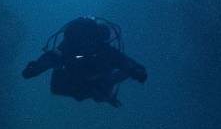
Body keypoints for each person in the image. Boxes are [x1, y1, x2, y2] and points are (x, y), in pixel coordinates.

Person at [20, 17, 148, 107]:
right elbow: (50, 58)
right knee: (63, 76)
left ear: (98, 37)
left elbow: (124, 62)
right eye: (84, 39)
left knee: (105, 83)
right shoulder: (68, 47)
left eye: (91, 38)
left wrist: (136, 70)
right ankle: (98, 92)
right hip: (74, 83)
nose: (87, 43)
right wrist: (36, 68)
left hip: (94, 83)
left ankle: (100, 92)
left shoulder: (105, 50)